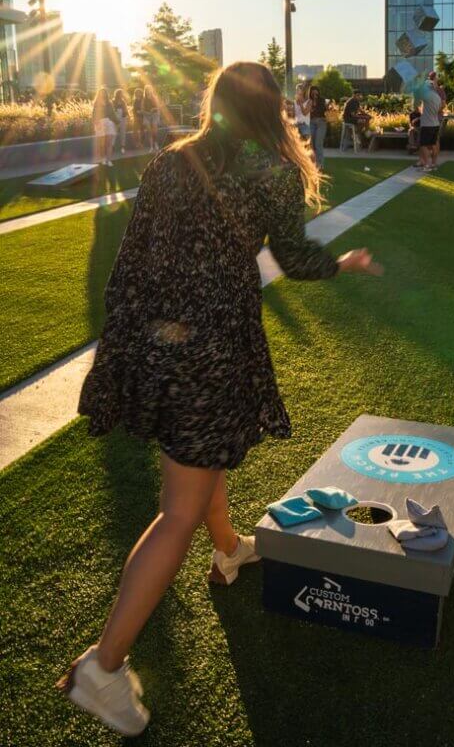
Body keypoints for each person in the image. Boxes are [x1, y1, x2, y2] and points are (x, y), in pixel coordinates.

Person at [57, 62, 382, 737]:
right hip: (210, 345)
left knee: (198, 460)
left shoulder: (171, 160)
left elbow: (132, 258)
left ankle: (229, 547)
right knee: (177, 508)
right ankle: (103, 665)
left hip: (156, 340)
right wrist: (343, 263)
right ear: (270, 108)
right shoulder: (271, 169)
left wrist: (128, 343)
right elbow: (292, 258)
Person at [416, 78, 443, 171]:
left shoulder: (427, 95)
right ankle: (434, 164)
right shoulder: (437, 97)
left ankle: (427, 164)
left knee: (423, 145)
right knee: (434, 144)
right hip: (435, 124)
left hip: (427, 125)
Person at [92, 88, 117, 167]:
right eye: (101, 93)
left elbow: (113, 113)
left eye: (104, 93)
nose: (103, 94)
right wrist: (95, 122)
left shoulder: (109, 103)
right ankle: (103, 159)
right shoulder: (96, 103)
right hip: (100, 123)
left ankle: (109, 160)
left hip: (109, 123)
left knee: (109, 143)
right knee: (102, 144)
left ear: (106, 94)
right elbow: (94, 114)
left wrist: (117, 122)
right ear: (99, 94)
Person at [308, 85, 328, 169]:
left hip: (321, 122)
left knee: (318, 143)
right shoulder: (309, 101)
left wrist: (327, 106)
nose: (315, 93)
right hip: (312, 122)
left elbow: (323, 110)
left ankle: (320, 164)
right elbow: (308, 112)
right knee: (312, 144)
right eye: (313, 91)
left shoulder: (322, 100)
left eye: (316, 91)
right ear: (311, 92)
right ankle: (313, 163)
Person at [142, 85, 160, 152]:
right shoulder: (144, 99)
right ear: (145, 91)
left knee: (154, 131)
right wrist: (146, 112)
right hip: (147, 116)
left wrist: (153, 109)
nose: (148, 91)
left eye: (149, 89)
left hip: (154, 115)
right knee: (149, 132)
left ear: (151, 90)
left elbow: (158, 107)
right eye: (147, 90)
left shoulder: (154, 98)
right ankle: (151, 146)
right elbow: (142, 109)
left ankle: (155, 143)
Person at [112, 89, 130, 155]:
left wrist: (128, 116)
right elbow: (112, 111)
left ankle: (123, 147)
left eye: (122, 94)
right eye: (120, 93)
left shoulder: (123, 101)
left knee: (123, 133)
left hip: (123, 118)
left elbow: (126, 110)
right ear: (117, 94)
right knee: (114, 132)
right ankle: (112, 147)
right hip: (116, 119)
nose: (121, 95)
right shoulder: (113, 101)